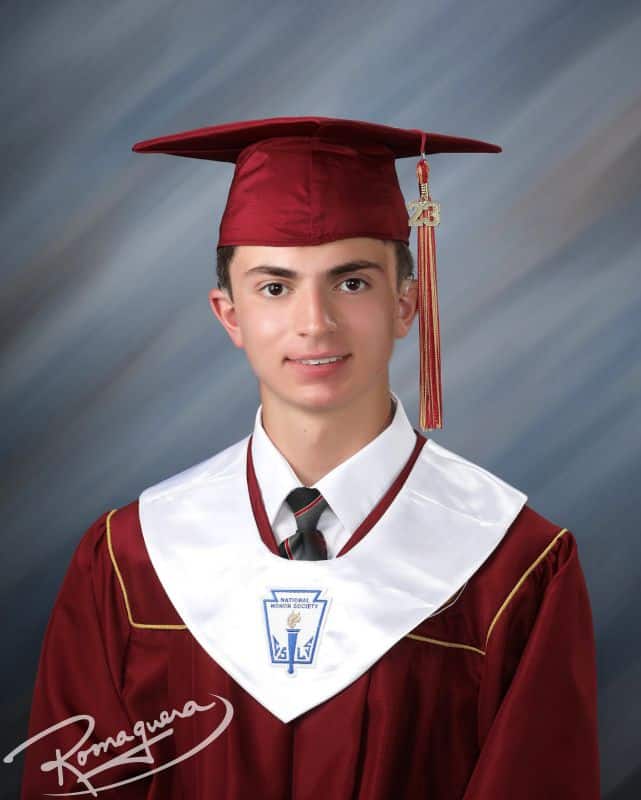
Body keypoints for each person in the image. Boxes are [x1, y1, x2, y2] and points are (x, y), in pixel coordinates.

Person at [13, 117, 600, 799]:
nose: (314, 322)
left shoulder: (514, 565)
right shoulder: (129, 560)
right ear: (228, 314)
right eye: (274, 286)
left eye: (350, 283)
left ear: (406, 304)